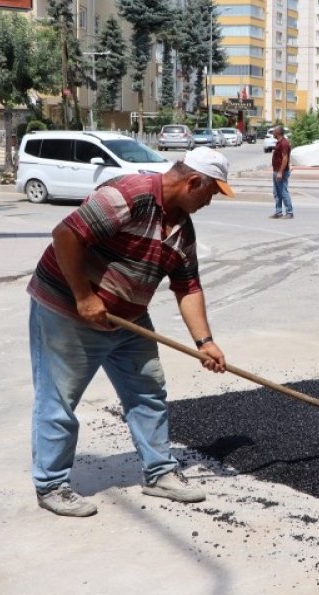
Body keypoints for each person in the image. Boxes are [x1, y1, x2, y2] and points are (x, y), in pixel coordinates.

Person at [27, 146, 235, 517]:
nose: (211, 200)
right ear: (193, 182)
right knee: (58, 400)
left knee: (147, 392)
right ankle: (51, 484)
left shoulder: (181, 229)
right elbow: (65, 235)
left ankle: (159, 473)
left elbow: (188, 287)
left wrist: (206, 342)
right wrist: (84, 297)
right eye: (211, 191)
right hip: (69, 311)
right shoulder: (129, 195)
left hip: (128, 318)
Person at [269, 125, 293, 219]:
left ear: (278, 133)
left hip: (281, 172)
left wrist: (280, 172)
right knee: (276, 192)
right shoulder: (279, 142)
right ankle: (278, 212)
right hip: (276, 171)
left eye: (274, 131)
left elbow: (285, 158)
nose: (273, 133)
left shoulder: (284, 143)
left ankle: (289, 212)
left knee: (283, 192)